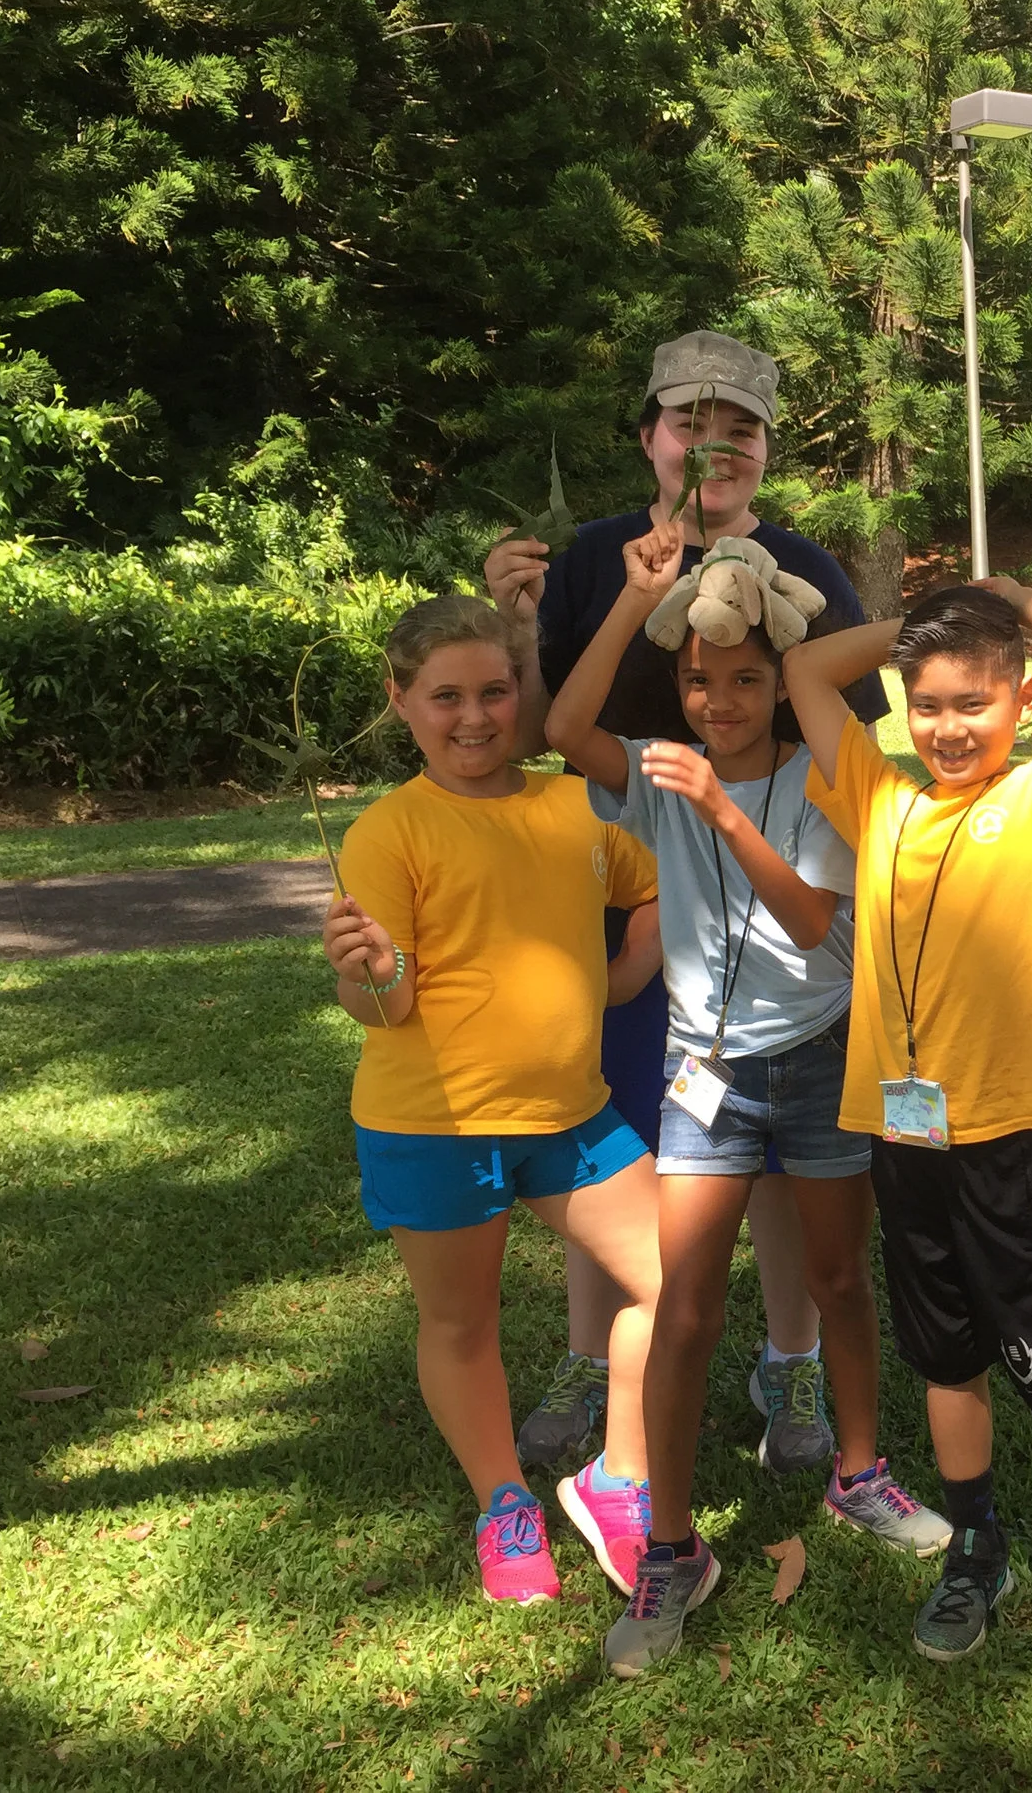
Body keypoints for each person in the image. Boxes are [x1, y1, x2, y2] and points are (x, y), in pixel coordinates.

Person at [543, 523, 951, 1677]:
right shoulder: (661, 777)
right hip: (704, 1079)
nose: (717, 702)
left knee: (833, 1282)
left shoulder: (822, 772)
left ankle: (859, 1473)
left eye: (742, 679)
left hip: (820, 1060)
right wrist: (634, 598)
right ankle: (669, 1547)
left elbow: (817, 925)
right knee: (684, 1306)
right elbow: (565, 731)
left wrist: (722, 812)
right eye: (697, 680)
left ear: (782, 680)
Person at [484, 332, 889, 1479]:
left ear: (766, 448)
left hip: (764, 901)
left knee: (773, 1136)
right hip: (615, 885)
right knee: (609, 1131)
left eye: (742, 428)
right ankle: (592, 1355)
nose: (712, 446)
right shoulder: (593, 558)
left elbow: (849, 748)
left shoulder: (808, 567)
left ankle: (792, 1357)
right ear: (650, 436)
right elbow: (534, 741)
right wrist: (517, 625)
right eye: (686, 423)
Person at [782, 580, 1032, 1716]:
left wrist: (995, 596)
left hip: (1013, 1131)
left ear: (1020, 702)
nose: (949, 727)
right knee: (945, 1352)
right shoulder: (880, 797)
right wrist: (914, 621)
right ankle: (976, 1546)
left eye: (974, 704)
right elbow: (805, 671)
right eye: (927, 703)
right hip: (904, 1136)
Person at [321, 594, 667, 1604]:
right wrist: (374, 969)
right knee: (461, 1323)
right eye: (445, 698)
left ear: (523, 692)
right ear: (401, 701)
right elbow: (379, 1008)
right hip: (432, 1124)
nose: (473, 717)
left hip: (574, 1116)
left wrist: (627, 974)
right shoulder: (389, 832)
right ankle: (504, 1502)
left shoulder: (575, 804)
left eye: (493, 692)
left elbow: (646, 891)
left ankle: (618, 1479)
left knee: (673, 1280)